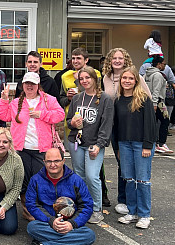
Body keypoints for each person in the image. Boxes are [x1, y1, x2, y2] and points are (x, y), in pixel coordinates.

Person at [0, 72, 65, 220]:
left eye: (33, 84)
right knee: (23, 181)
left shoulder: (48, 100)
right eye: (27, 83)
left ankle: (40, 208)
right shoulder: (16, 102)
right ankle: (27, 211)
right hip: (21, 149)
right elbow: (4, 116)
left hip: (41, 149)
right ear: (22, 85)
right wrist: (4, 100)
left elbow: (60, 115)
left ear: (37, 85)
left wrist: (42, 114)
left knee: (39, 180)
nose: (29, 86)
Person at [20, 148, 97, 245]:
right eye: (49, 161)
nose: (53, 165)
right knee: (32, 227)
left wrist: (72, 223)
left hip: (71, 224)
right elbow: (32, 204)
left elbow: (87, 206)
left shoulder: (76, 180)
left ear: (63, 161)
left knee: (89, 235)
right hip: (47, 223)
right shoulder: (36, 180)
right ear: (44, 162)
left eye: (56, 161)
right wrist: (51, 220)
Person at [102, 47, 150, 215]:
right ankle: (126, 201)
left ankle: (129, 201)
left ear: (125, 60)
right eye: (114, 58)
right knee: (122, 163)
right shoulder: (106, 79)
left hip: (133, 127)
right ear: (110, 60)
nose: (117, 61)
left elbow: (148, 100)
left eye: (120, 58)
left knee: (134, 168)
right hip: (116, 127)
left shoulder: (135, 76)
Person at [66, 66, 114, 224]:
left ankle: (96, 209)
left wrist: (99, 145)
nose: (85, 81)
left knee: (92, 176)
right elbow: (69, 122)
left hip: (94, 144)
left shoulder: (105, 99)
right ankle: (83, 206)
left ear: (95, 79)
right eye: (81, 79)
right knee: (79, 176)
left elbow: (106, 125)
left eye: (88, 78)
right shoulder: (77, 98)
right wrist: (72, 122)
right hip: (77, 142)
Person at [113, 67, 156, 229]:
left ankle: (144, 214)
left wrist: (147, 145)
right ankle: (132, 211)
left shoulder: (144, 99)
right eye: (124, 78)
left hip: (141, 145)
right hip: (124, 145)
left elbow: (150, 124)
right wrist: (117, 146)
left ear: (136, 81)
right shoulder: (118, 100)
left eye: (130, 78)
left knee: (142, 180)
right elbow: (116, 126)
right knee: (129, 179)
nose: (127, 81)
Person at [58, 48, 102, 140]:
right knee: (72, 152)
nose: (75, 61)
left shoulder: (96, 74)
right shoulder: (65, 76)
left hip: (91, 120)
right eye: (73, 58)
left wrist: (78, 83)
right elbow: (61, 100)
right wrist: (69, 98)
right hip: (71, 123)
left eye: (78, 58)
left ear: (86, 60)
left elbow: (98, 96)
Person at [145, 56, 172, 154]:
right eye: (164, 64)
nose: (164, 66)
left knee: (153, 122)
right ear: (159, 64)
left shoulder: (146, 74)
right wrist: (155, 103)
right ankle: (161, 143)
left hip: (148, 101)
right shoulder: (158, 75)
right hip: (158, 102)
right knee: (165, 120)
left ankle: (155, 142)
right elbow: (156, 90)